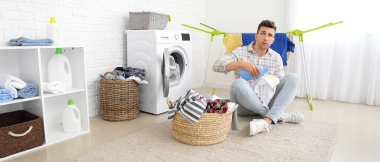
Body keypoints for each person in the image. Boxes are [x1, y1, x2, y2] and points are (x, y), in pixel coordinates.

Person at [213, 20, 304, 136]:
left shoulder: (276, 58)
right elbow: (216, 66)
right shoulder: (240, 52)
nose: (266, 38)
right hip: (244, 106)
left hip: (266, 101)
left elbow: (281, 87)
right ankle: (279, 116)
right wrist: (242, 64)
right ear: (256, 35)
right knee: (238, 83)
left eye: (270, 35)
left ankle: (267, 120)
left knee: (294, 78)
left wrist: (268, 79)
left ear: (273, 40)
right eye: (263, 33)